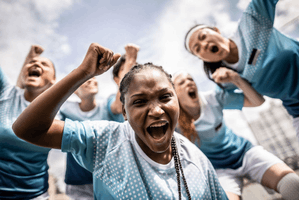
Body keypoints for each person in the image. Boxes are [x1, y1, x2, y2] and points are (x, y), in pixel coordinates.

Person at [13, 43, 229, 199]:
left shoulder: (196, 160)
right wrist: (82, 73)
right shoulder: (105, 140)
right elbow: (27, 128)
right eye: (140, 101)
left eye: (165, 97)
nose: (155, 110)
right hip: (79, 184)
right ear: (124, 113)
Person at [173, 69, 299, 200]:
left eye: (191, 79)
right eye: (182, 82)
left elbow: (257, 101)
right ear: (174, 94)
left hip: (245, 154)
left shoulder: (212, 99)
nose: (189, 83)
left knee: (290, 182)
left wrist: (236, 79)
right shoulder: (173, 124)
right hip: (219, 171)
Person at [184, 0, 299, 140]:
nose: (204, 45)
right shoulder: (225, 80)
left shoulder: (251, 24)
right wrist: (236, 79)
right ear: (202, 58)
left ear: (216, 31)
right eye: (198, 49)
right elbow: (257, 102)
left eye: (203, 36)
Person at [60, 43, 139, 200]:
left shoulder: (107, 105)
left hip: (108, 180)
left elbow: (119, 102)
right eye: (85, 79)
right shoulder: (66, 110)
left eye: (93, 78)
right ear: (74, 88)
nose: (90, 80)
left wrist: (130, 60)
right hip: (79, 184)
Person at [0, 45, 56, 199]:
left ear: (54, 80)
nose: (36, 65)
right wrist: (28, 58)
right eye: (31, 64)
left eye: (45, 64)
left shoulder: (59, 113)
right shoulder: (6, 93)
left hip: (34, 195)